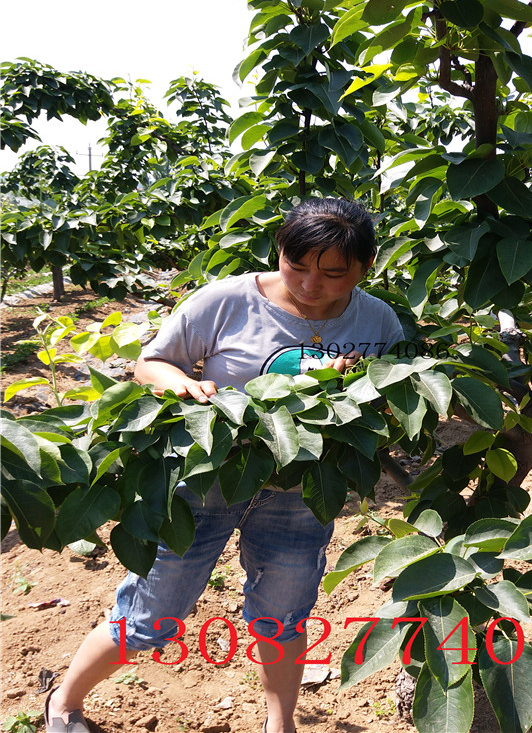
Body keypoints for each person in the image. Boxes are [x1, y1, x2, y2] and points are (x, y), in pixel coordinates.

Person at [44, 197, 404, 733]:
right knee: (154, 611)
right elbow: (151, 363)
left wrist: (356, 387)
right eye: (297, 265)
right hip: (205, 482)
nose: (310, 284)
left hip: (297, 491)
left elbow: (395, 393)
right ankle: (63, 704)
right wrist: (183, 385)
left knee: (283, 614)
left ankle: (279, 726)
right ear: (279, 251)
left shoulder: (376, 319)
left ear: (364, 268)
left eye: (333, 274)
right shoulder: (226, 300)